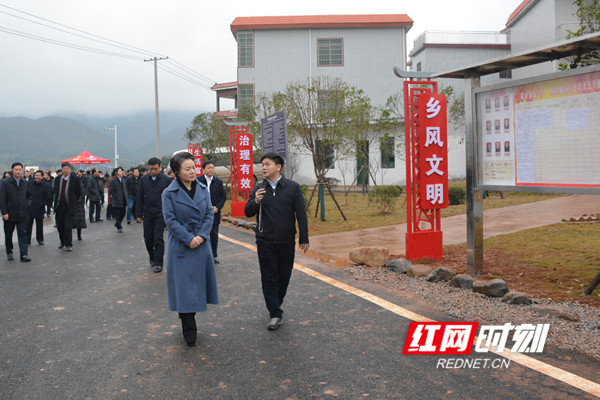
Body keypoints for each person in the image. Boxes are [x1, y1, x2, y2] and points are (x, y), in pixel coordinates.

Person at [244, 152, 309, 330]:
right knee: (268, 278)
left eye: (267, 164)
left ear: (278, 167)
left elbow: (301, 215)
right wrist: (256, 201)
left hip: (286, 242)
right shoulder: (258, 188)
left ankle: (276, 302)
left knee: (284, 277)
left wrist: (304, 238)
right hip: (264, 241)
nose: (263, 167)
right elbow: (248, 212)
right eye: (262, 165)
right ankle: (274, 313)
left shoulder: (292, 187)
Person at [162, 151, 218, 346]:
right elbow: (170, 220)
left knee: (198, 287)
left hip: (201, 244)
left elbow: (209, 215)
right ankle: (188, 325)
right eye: (188, 169)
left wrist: (201, 236)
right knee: (184, 288)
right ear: (177, 172)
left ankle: (188, 314)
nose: (193, 171)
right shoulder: (169, 193)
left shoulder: (203, 189)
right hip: (181, 245)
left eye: (194, 167)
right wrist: (188, 239)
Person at [136, 157, 171, 273]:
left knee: (158, 238)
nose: (153, 171)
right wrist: (138, 214)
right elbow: (140, 197)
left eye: (155, 169)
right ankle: (152, 256)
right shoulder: (143, 179)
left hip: (160, 213)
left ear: (160, 167)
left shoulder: (166, 180)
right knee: (148, 238)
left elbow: (170, 198)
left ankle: (158, 262)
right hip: (148, 213)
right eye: (151, 169)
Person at [0, 162, 31, 261]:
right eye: (16, 169)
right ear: (12, 170)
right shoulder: (6, 183)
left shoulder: (25, 182)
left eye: (19, 169)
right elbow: (2, 199)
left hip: (22, 213)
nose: (18, 171)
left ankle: (24, 254)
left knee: (22, 234)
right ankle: (9, 252)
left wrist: (27, 204)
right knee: (9, 234)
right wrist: (4, 212)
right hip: (9, 214)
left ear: (22, 170)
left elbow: (29, 196)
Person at [198, 160, 226, 264]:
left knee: (214, 235)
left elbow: (223, 197)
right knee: (202, 234)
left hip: (214, 212)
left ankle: (214, 255)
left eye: (212, 168)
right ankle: (202, 255)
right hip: (201, 213)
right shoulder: (198, 181)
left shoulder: (218, 182)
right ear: (203, 169)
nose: (211, 170)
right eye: (209, 168)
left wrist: (217, 208)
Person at [53, 162, 82, 252]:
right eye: (64, 168)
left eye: (67, 168)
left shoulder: (75, 179)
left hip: (69, 206)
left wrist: (73, 201)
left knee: (67, 225)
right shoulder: (57, 179)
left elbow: (79, 192)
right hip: (59, 205)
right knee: (60, 225)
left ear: (70, 169)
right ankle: (63, 242)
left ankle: (69, 243)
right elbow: (54, 191)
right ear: (62, 169)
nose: (66, 170)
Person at [26, 170, 51, 246]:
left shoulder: (45, 185)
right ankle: (27, 240)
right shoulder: (30, 184)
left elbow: (48, 197)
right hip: (30, 207)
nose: (36, 177)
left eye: (38, 175)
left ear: (42, 176)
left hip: (39, 208)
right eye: (36, 175)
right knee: (28, 225)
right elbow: (26, 194)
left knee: (39, 225)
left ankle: (40, 239)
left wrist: (43, 204)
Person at [109, 167, 128, 233]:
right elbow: (111, 190)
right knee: (117, 214)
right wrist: (115, 197)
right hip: (117, 200)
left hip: (123, 200)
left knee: (123, 213)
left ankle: (117, 223)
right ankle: (119, 227)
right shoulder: (113, 181)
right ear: (116, 172)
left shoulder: (123, 180)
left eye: (122, 171)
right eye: (120, 171)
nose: (121, 172)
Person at [71, 176, 87, 241]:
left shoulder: (80, 185)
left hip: (78, 206)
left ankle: (79, 235)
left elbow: (82, 194)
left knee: (78, 222)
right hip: (74, 205)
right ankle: (74, 235)